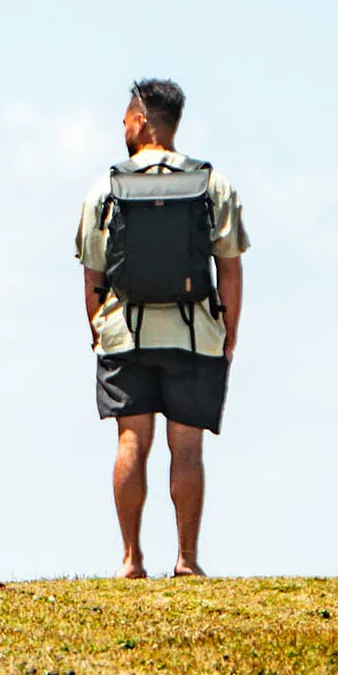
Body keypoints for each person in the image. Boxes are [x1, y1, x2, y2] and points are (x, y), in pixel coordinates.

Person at [76, 77, 248, 580]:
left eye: (126, 118)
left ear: (142, 121)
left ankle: (131, 560)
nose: (123, 127)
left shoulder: (105, 186)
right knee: (187, 446)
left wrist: (98, 330)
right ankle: (187, 560)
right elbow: (230, 267)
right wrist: (228, 332)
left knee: (132, 440)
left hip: (124, 333)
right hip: (194, 333)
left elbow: (92, 272)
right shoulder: (211, 183)